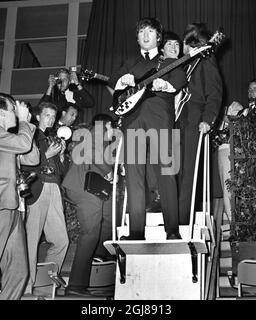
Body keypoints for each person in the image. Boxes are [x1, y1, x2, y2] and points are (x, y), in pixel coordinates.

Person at [110, 17, 186, 240]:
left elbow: (180, 78)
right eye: (141, 32)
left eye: (150, 32)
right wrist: (121, 81)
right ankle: (135, 232)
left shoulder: (168, 62)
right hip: (132, 121)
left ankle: (172, 230)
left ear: (158, 37)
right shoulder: (130, 62)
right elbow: (113, 78)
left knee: (166, 174)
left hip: (160, 120)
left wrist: (167, 85)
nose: (145, 36)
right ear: (137, 38)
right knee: (134, 176)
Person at [0, 92, 39, 300]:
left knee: (19, 272)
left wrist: (26, 124)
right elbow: (23, 144)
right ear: (2, 113)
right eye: (13, 110)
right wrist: (22, 123)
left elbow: (32, 157)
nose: (16, 113)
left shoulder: (10, 138)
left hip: (11, 206)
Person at [62, 113, 115, 297]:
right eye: (112, 129)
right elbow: (94, 153)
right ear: (107, 124)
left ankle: (99, 255)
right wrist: (109, 171)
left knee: (108, 218)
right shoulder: (98, 130)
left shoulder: (96, 137)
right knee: (90, 233)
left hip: (91, 188)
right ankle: (75, 286)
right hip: (83, 187)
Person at [21, 101, 69, 296]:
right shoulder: (29, 135)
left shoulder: (53, 136)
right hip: (37, 188)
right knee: (31, 242)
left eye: (53, 116)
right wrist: (46, 154)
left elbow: (62, 170)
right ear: (38, 116)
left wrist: (63, 155)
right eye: (47, 115)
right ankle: (25, 287)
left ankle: (46, 283)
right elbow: (24, 165)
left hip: (54, 188)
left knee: (61, 240)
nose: (50, 119)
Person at [178, 23, 223, 225]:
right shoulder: (185, 64)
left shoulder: (206, 60)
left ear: (191, 42)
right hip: (177, 122)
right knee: (173, 171)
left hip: (195, 121)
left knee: (189, 173)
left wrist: (207, 119)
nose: (182, 46)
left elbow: (215, 92)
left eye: (185, 42)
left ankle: (184, 221)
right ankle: (172, 213)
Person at [217, 79, 256, 219]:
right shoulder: (245, 110)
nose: (251, 91)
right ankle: (235, 222)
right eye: (249, 89)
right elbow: (235, 120)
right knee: (236, 188)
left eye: (255, 88)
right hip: (245, 155)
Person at [146, 30, 182, 212]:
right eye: (170, 44)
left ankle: (167, 206)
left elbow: (178, 86)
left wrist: (167, 86)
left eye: (177, 44)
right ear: (161, 48)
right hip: (153, 121)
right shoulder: (154, 65)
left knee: (168, 167)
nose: (175, 48)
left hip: (173, 123)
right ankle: (156, 200)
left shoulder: (180, 65)